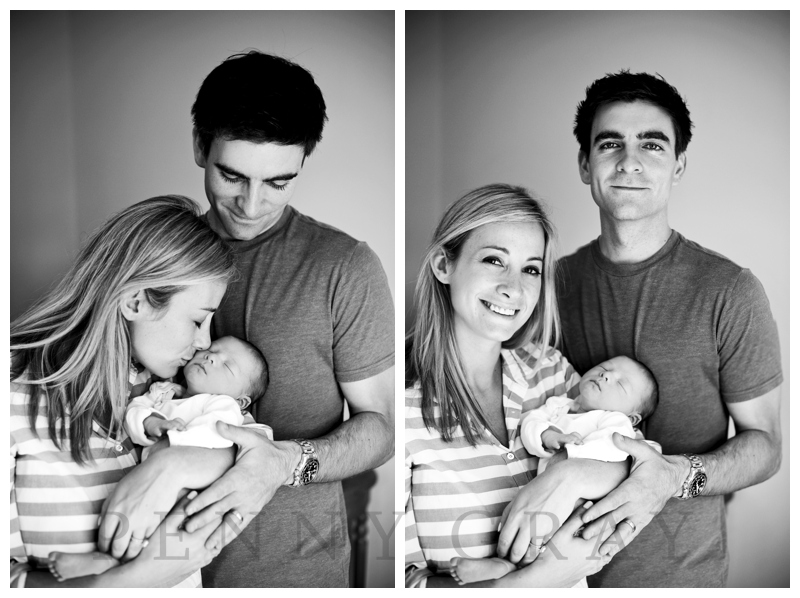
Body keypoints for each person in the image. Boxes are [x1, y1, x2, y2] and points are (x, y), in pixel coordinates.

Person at [175, 51, 394, 587]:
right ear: (201, 146)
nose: (251, 205)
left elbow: (381, 429)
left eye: (278, 182)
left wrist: (285, 462)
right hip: (152, 569)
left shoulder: (344, 266)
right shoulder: (158, 258)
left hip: (297, 573)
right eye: (232, 176)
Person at [556, 70, 783, 587]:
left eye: (652, 145)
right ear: (585, 164)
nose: (629, 161)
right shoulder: (551, 286)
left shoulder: (730, 290)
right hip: (554, 578)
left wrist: (674, 478)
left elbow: (766, 447)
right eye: (610, 143)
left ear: (678, 164)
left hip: (681, 580)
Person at [10, 195, 247, 587]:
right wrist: (139, 579)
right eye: (197, 321)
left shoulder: (168, 388)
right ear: (135, 301)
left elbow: (255, 449)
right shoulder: (14, 391)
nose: (205, 343)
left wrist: (171, 466)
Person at [405, 183, 632, 589]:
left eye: (531, 269)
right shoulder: (401, 406)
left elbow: (634, 456)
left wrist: (570, 477)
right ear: (443, 265)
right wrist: (541, 580)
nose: (514, 287)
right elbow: (405, 583)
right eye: (494, 260)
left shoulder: (549, 370)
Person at [45, 335, 271, 582]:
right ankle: (105, 560)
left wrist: (172, 440)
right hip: (146, 479)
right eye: (212, 350)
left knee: (161, 529)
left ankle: (109, 563)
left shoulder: (225, 406)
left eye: (227, 365)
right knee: (130, 519)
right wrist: (150, 422)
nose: (211, 357)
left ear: (241, 400)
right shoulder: (164, 391)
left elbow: (217, 434)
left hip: (189, 491)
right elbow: (135, 409)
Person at [448, 355, 659, 585]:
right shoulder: (559, 405)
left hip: (583, 505)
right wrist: (547, 436)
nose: (606, 375)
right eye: (603, 368)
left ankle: (510, 569)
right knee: (525, 527)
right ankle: (504, 566)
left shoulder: (616, 421)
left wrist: (570, 455)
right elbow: (531, 422)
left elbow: (614, 449)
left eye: (620, 383)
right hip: (546, 495)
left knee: (558, 542)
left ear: (632, 417)